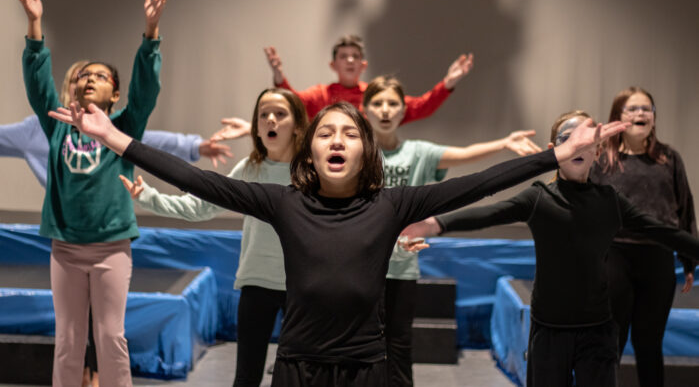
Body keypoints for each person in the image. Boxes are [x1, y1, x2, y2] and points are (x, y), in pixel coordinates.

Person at [49, 98, 627, 386]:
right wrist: (113, 136)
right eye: (326, 131)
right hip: (297, 367)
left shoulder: (392, 204)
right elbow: (197, 180)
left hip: (365, 368)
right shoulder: (282, 202)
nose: (337, 139)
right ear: (311, 149)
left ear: (364, 152)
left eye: (350, 133)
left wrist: (557, 154)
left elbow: (481, 183)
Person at [400, 111, 699, 387]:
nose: (577, 145)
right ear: (553, 150)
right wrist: (435, 224)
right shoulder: (539, 198)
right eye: (566, 138)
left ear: (597, 149)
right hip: (548, 331)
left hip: (598, 330)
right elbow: (489, 213)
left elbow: (664, 232)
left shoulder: (610, 201)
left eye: (586, 139)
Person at [15, 0, 168, 387]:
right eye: (84, 75)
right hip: (65, 248)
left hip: (110, 250)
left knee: (110, 336)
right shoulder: (60, 127)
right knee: (67, 339)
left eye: (100, 76)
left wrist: (151, 33)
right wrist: (35, 27)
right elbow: (37, 85)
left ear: (114, 94)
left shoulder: (124, 126)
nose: (88, 79)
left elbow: (146, 89)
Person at [361, 75, 542, 386]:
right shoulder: (356, 153)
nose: (385, 110)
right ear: (364, 110)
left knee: (399, 343)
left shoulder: (419, 152)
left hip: (401, 266)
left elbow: (466, 153)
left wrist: (503, 143)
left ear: (405, 110)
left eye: (393, 103)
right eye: (377, 103)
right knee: (362, 344)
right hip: (360, 265)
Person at [121, 88, 308, 387]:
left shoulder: (311, 173)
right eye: (263, 115)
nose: (271, 120)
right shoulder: (249, 170)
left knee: (298, 376)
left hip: (303, 287)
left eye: (280, 114)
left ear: (298, 124)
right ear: (256, 127)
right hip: (256, 283)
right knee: (246, 376)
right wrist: (150, 198)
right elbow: (201, 207)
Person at [589, 87, 697, 387]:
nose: (640, 114)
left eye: (646, 109)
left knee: (650, 343)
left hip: (658, 260)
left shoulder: (668, 158)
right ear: (618, 117)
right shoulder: (603, 159)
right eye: (633, 109)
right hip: (615, 258)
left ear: (654, 117)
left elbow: (685, 208)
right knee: (613, 341)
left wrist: (689, 260)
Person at [0, 59, 233, 187]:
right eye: (78, 78)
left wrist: (195, 146)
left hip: (108, 227)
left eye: (93, 78)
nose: (85, 83)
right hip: (65, 228)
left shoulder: (111, 126)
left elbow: (150, 141)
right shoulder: (37, 130)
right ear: (66, 89)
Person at [264, 35, 474, 122]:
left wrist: (448, 83)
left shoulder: (377, 97)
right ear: (333, 64)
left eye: (355, 56)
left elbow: (420, 107)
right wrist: (279, 76)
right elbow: (290, 104)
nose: (350, 61)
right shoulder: (320, 95)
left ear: (363, 65)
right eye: (343, 56)